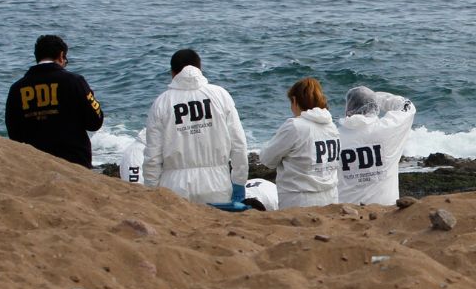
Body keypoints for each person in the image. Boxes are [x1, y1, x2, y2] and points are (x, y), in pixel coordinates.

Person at [143, 49, 249, 204]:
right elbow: (238, 144)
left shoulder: (161, 103)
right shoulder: (220, 95)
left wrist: (152, 189)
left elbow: (152, 156)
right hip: (217, 184)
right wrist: (239, 181)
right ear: (200, 69)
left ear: (172, 73)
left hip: (174, 187)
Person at [5, 35, 104, 168]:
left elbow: (13, 133)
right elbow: (95, 122)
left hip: (33, 164)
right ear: (61, 55)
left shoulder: (16, 89)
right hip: (75, 160)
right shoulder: (74, 81)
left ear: (37, 57)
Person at [259, 77, 340, 208]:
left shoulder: (295, 126)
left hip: (299, 199)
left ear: (295, 101)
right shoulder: (331, 126)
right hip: (330, 197)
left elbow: (266, 159)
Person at [337, 86, 416, 205]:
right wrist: (378, 97)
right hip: (386, 207)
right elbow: (408, 106)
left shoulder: (334, 137)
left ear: (348, 108)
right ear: (374, 106)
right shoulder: (388, 129)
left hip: (346, 209)